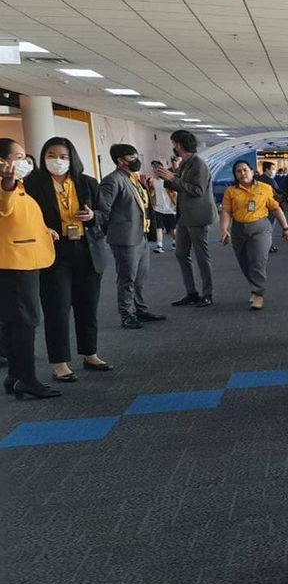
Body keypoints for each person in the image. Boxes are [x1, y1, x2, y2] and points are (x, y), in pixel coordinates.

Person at [24, 137, 112, 382]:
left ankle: (89, 353)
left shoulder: (87, 183)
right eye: (52, 155)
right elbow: (26, 218)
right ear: (43, 157)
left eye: (63, 156)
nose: (57, 161)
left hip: (87, 250)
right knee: (57, 309)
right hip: (54, 252)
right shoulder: (32, 184)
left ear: (72, 158)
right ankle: (59, 362)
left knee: (87, 306)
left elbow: (106, 214)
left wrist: (93, 215)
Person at [0, 138, 60, 400]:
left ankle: (15, 375)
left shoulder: (21, 187)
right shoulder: (8, 186)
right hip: (14, 263)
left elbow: (18, 220)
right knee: (25, 321)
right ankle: (27, 379)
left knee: (16, 322)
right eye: (19, 156)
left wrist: (45, 231)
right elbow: (5, 206)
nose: (25, 161)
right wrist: (8, 182)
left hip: (23, 259)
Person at [99, 144, 166, 330]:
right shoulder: (112, 181)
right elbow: (104, 210)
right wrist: (109, 231)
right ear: (120, 160)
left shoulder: (133, 179)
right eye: (131, 157)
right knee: (127, 278)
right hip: (124, 238)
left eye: (136, 156)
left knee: (140, 277)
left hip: (141, 235)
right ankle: (126, 314)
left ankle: (140, 309)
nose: (136, 160)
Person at [155, 129, 216, 308]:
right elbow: (179, 184)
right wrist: (168, 178)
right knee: (181, 254)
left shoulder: (198, 164)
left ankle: (207, 293)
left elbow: (197, 190)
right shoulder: (185, 163)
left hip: (197, 216)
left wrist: (173, 178)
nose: (173, 147)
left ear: (179, 145)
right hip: (184, 216)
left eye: (174, 144)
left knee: (201, 257)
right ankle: (191, 292)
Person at [219, 160, 288, 310]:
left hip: (260, 228)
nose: (242, 173)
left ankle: (259, 293)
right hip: (239, 229)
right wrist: (224, 229)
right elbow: (226, 211)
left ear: (252, 171)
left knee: (257, 260)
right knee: (244, 262)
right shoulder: (231, 191)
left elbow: (276, 209)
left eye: (245, 170)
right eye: (238, 171)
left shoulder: (265, 188)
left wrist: (286, 228)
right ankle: (254, 287)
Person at [148, 160, 176, 254]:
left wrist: (175, 204)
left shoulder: (167, 180)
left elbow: (174, 193)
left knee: (173, 228)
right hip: (158, 207)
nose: (155, 171)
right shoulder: (151, 181)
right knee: (159, 227)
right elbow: (151, 193)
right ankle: (159, 245)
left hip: (170, 208)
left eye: (157, 168)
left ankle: (175, 242)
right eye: (153, 169)